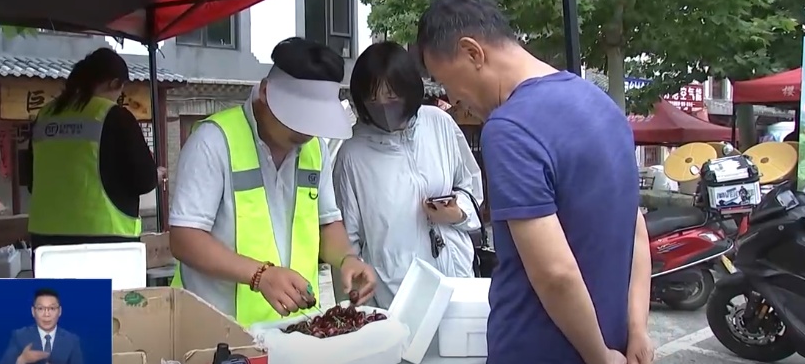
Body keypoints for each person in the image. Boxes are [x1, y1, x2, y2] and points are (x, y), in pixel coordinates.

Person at [416, 0, 653, 364]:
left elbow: (554, 272)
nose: (453, 98)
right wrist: (637, 329)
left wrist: (597, 356)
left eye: (448, 81)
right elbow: (636, 229)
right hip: (615, 343)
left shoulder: (510, 128)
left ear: (472, 52)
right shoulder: (603, 106)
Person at [168, 37, 377, 327]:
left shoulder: (314, 148)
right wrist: (260, 275)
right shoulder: (214, 141)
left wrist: (347, 259)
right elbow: (184, 238)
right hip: (217, 329)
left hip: (293, 328)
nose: (305, 133)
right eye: (297, 121)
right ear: (266, 92)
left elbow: (327, 222)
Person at [333, 42, 483, 308]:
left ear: (409, 90)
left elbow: (470, 186)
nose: (383, 106)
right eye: (372, 99)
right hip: (396, 299)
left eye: (391, 97)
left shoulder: (439, 123)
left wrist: (457, 213)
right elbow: (347, 241)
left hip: (456, 284)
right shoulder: (352, 154)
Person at [26, 48, 163, 254]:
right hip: (104, 237)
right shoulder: (115, 116)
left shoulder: (45, 115)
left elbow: (31, 180)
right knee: (106, 289)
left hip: (46, 239)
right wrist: (156, 175)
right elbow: (143, 180)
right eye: (121, 90)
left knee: (58, 289)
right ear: (114, 83)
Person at [0, 288, 83, 364]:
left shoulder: (72, 340)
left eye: (52, 308)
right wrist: (21, 360)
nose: (46, 314)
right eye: (40, 309)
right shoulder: (20, 336)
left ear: (60, 311)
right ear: (33, 311)